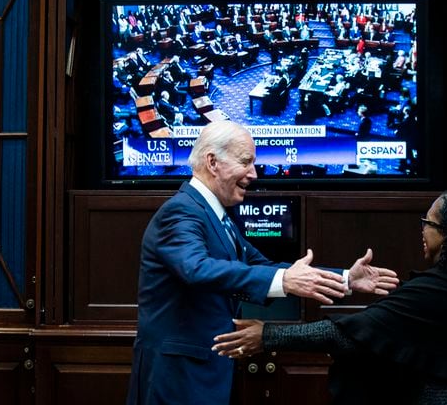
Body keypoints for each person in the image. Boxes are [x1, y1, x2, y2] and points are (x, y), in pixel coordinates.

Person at [126, 120, 400, 405]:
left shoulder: (218, 215)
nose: (254, 174)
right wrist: (285, 280)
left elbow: (263, 265)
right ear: (213, 162)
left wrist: (345, 278)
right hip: (177, 378)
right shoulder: (181, 212)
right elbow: (197, 269)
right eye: (246, 162)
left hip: (207, 372)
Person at [213, 189, 447, 405]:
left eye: (428, 223)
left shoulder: (434, 291)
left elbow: (348, 335)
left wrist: (267, 334)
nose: (422, 230)